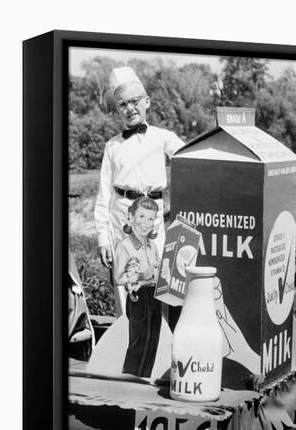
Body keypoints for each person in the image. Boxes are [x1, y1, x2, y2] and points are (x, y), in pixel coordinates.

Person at [94, 66, 184, 315]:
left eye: (134, 101)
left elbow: (189, 159)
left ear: (147, 102)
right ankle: (127, 342)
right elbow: (103, 193)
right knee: (126, 283)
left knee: (155, 279)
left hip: (154, 218)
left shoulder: (162, 137)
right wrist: (103, 237)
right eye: (123, 104)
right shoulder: (112, 146)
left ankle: (157, 343)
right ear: (118, 109)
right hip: (120, 217)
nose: (129, 108)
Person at [114, 196, 162, 377]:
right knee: (138, 341)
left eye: (150, 218)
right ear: (130, 218)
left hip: (154, 296)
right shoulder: (124, 246)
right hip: (138, 297)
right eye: (141, 216)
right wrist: (142, 275)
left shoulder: (152, 246)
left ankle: (144, 378)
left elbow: (156, 269)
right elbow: (119, 278)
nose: (146, 223)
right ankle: (130, 378)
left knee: (152, 342)